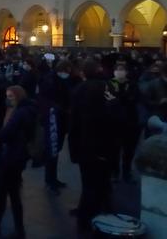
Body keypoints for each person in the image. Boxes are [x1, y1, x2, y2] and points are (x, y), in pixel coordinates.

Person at [0, 86, 35, 239]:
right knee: (7, 193)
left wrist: (7, 119)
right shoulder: (29, 109)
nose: (8, 99)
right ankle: (1, 226)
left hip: (12, 157)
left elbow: (4, 133)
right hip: (18, 156)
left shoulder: (20, 113)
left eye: (11, 96)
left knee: (9, 193)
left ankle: (14, 230)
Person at [69, 59, 117, 229]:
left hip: (84, 144)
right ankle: (103, 216)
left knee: (88, 183)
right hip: (104, 143)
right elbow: (113, 114)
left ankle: (85, 220)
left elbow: (74, 121)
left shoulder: (79, 90)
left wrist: (73, 147)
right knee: (102, 182)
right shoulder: (107, 87)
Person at [38, 59, 76, 194]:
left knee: (56, 150)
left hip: (61, 119)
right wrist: (58, 108)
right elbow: (44, 99)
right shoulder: (49, 80)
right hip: (52, 119)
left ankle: (53, 178)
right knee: (52, 150)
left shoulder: (62, 80)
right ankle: (50, 180)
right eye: (67, 71)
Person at [107, 63, 139, 183]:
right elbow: (108, 99)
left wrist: (117, 99)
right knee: (114, 149)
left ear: (126, 71)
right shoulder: (109, 83)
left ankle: (126, 171)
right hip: (114, 121)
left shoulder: (132, 84)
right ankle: (114, 172)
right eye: (118, 70)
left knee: (129, 150)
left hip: (130, 121)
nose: (120, 72)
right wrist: (122, 98)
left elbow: (134, 98)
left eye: (122, 70)